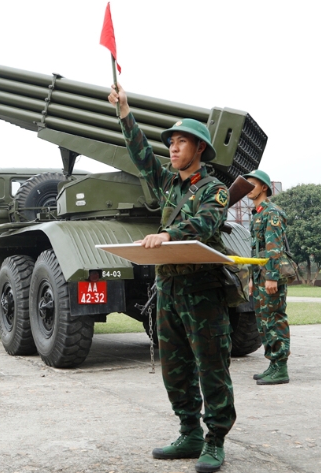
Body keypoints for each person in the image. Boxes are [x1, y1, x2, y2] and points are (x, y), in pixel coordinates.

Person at [108, 84, 234, 473]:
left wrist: (169, 234)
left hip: (202, 291)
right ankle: (188, 433)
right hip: (169, 289)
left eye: (182, 143)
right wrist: (125, 113)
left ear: (199, 150)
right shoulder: (168, 184)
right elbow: (142, 157)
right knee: (174, 366)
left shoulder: (215, 190)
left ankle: (214, 440)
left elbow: (206, 223)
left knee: (211, 365)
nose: (174, 148)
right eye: (172, 142)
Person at [243, 169, 290, 385]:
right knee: (263, 321)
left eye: (252, 184)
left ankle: (281, 368)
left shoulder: (272, 213)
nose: (248, 188)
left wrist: (271, 277)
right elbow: (256, 252)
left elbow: (274, 248)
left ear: (263, 187)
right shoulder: (258, 214)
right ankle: (273, 364)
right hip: (261, 276)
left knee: (274, 319)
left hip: (271, 276)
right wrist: (253, 278)